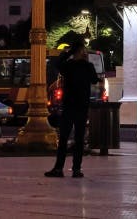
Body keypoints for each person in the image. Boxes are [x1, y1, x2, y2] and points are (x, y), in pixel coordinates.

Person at [44, 39, 101, 179]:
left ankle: (59, 168)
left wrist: (67, 53)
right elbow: (94, 79)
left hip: (70, 106)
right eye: (83, 50)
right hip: (80, 106)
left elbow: (57, 64)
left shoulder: (68, 66)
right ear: (80, 51)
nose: (86, 52)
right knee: (78, 139)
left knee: (64, 138)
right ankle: (76, 169)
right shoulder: (87, 66)